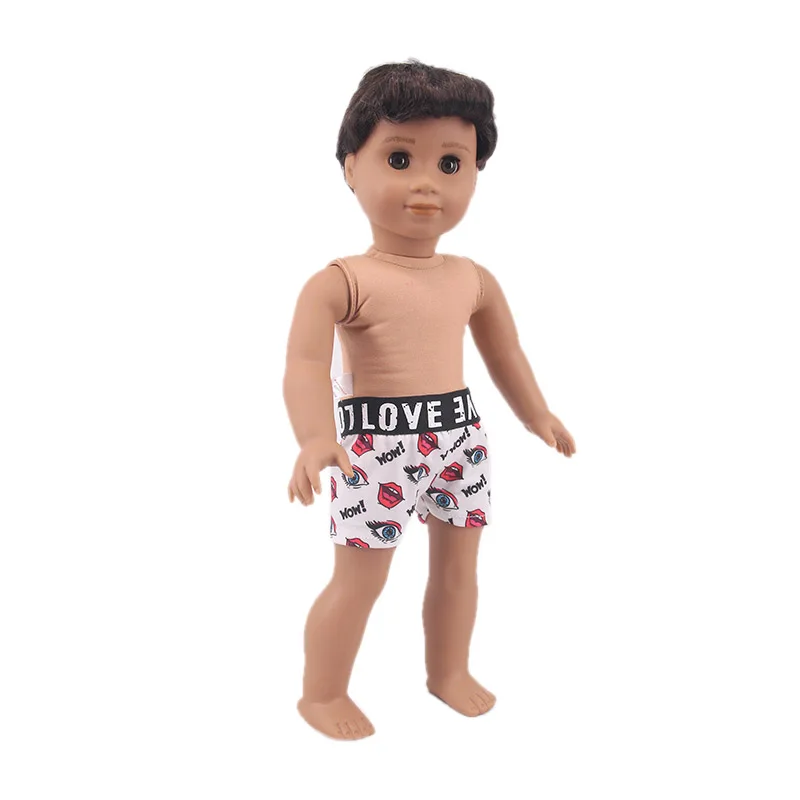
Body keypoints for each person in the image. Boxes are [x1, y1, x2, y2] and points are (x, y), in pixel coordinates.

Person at [283, 60, 576, 741]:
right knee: (360, 579)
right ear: (350, 167)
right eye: (399, 158)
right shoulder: (341, 281)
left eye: (451, 164)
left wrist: (536, 413)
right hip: (375, 449)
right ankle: (322, 692)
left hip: (459, 439)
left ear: (475, 173)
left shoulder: (473, 278)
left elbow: (505, 354)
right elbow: (304, 363)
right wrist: (314, 437)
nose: (426, 183)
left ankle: (448, 671)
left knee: (458, 571)